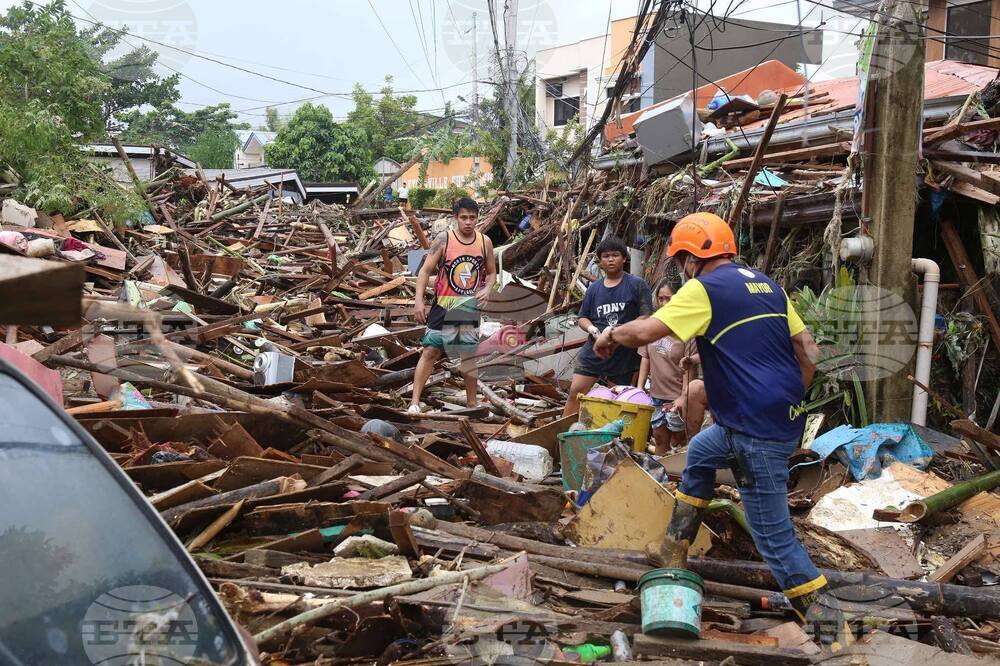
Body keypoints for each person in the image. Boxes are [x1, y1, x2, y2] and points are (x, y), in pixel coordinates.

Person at [592, 213, 850, 650]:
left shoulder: (704, 288)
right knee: (703, 452)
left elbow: (646, 331)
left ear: (691, 257)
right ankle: (674, 548)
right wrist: (785, 398)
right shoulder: (767, 284)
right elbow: (809, 349)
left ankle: (837, 635)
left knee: (774, 539)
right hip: (760, 422)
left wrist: (610, 334)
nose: (681, 267)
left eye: (680, 259)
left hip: (755, 432)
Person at [410, 197, 496, 412]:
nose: (468, 222)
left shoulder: (484, 242)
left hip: (466, 307)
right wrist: (418, 301)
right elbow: (425, 270)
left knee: (467, 355)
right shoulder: (444, 240)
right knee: (431, 350)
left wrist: (487, 288)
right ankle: (414, 402)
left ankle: (472, 403)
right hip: (444, 304)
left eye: (472, 218)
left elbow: (492, 272)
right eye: (464, 217)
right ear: (455, 218)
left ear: (477, 218)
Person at [563, 237, 653, 417]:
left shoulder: (636, 285)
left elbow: (646, 316)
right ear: (600, 261)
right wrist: (593, 331)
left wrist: (622, 333)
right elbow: (583, 317)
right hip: (595, 349)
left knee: (621, 399)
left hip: (624, 353)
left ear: (624, 258)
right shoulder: (594, 289)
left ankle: (618, 439)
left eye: (615, 255)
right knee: (576, 392)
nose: (610, 259)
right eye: (605, 256)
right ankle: (563, 431)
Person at [636, 279, 704, 454]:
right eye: (661, 299)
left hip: (678, 396)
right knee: (659, 438)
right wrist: (639, 387)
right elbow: (646, 357)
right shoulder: (652, 324)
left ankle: (681, 477)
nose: (664, 303)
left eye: (669, 299)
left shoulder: (687, 329)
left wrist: (683, 397)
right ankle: (661, 478)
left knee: (680, 441)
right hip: (656, 395)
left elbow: (689, 365)